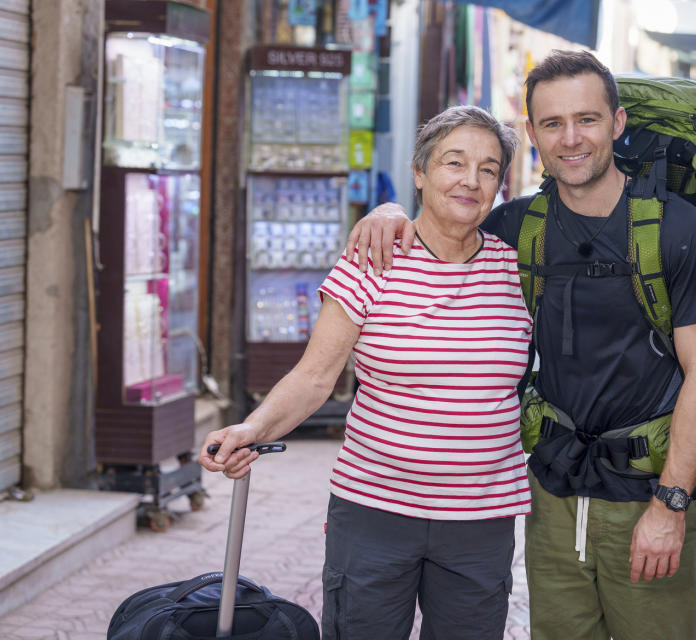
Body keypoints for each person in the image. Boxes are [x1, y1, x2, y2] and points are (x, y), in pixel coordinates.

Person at [347, 50, 696, 639]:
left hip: (646, 494)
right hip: (551, 494)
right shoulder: (514, 228)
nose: (571, 139)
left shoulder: (679, 232)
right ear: (532, 135)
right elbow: (438, 225)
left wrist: (671, 505)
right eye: (553, 124)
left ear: (617, 123)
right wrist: (388, 210)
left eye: (587, 120)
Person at [199, 105, 532, 640]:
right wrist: (251, 429)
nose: (471, 180)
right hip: (376, 510)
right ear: (420, 172)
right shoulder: (372, 260)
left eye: (489, 169)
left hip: (480, 518)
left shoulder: (518, 268)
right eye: (453, 162)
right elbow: (314, 377)